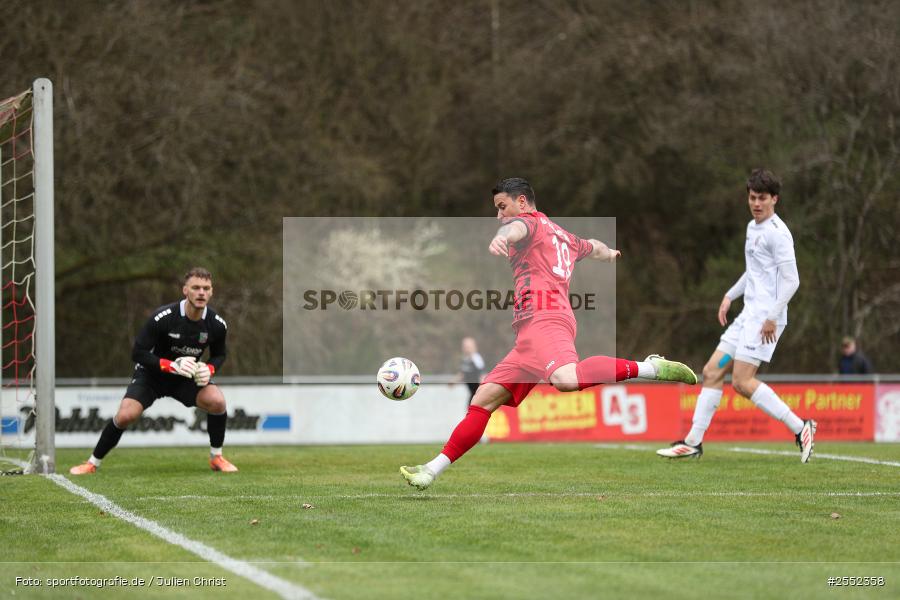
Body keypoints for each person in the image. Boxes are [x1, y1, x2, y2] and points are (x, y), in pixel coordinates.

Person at [400, 177, 698, 490]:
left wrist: (504, 235)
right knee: (483, 399)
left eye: (503, 207)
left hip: (547, 319)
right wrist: (607, 252)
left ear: (523, 203)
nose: (500, 216)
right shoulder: (563, 235)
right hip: (528, 335)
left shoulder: (528, 225)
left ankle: (650, 367)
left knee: (566, 380)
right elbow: (591, 246)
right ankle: (430, 471)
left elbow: (516, 229)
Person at [657, 169, 816, 462]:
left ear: (774, 199)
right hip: (747, 317)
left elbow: (792, 280)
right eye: (753, 197)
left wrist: (772, 316)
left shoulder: (778, 234)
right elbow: (753, 272)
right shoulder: (751, 228)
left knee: (742, 382)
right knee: (713, 370)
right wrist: (730, 296)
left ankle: (800, 427)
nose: (757, 203)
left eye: (763, 198)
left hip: (764, 321)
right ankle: (693, 442)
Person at [69, 267, 237, 474]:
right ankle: (92, 463)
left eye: (206, 288)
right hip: (152, 375)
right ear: (185, 290)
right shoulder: (163, 317)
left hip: (185, 379)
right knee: (125, 416)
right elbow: (138, 353)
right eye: (196, 288)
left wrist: (208, 369)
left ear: (211, 292)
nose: (201, 292)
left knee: (217, 401)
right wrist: (171, 365)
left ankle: (216, 458)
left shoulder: (217, 324)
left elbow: (220, 354)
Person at [455, 336, 485, 405]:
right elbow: (462, 374)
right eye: (464, 346)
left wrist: (482, 391)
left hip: (478, 394)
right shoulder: (465, 359)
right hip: (472, 393)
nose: (466, 348)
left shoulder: (476, 358)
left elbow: (482, 374)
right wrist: (454, 381)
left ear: (474, 347)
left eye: (468, 346)